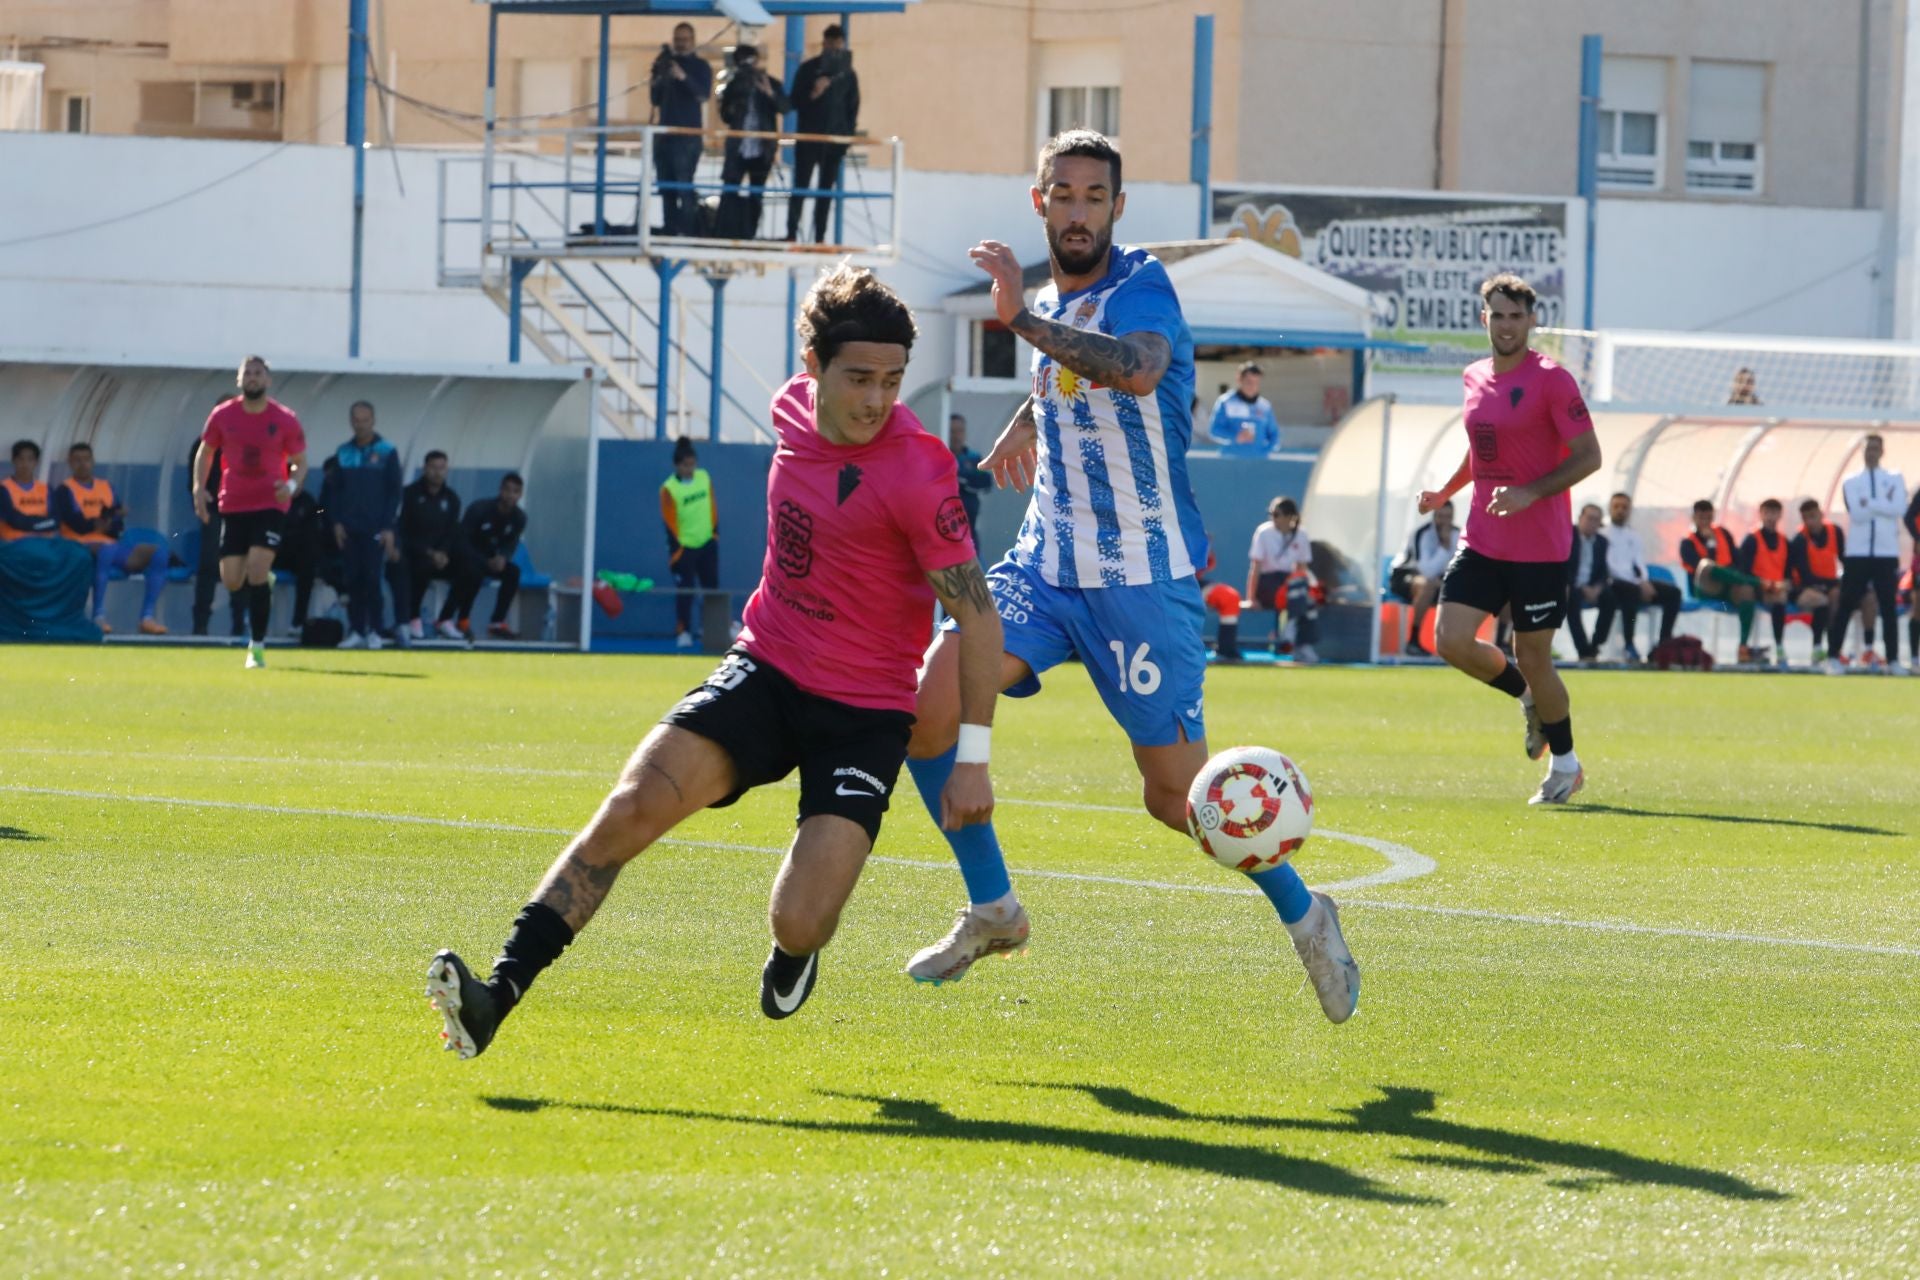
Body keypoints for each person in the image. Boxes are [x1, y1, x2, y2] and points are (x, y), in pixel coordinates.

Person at [426, 265, 1003, 1056]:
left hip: (865, 714)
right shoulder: (790, 412)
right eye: (859, 378)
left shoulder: (918, 470)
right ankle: (499, 991)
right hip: (765, 671)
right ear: (813, 372)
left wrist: (972, 758)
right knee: (630, 809)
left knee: (800, 918)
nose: (876, 400)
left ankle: (795, 954)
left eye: (894, 382)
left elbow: (976, 612)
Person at [898, 130, 1361, 1023]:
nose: (1077, 211)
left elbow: (1140, 371)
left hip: (1143, 580)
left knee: (1174, 795)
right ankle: (993, 908)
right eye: (1061, 194)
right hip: (1044, 565)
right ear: (1040, 202)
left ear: (1117, 208)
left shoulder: (1141, 285)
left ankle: (1307, 913)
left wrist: (1022, 325)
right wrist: (1028, 423)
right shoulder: (1043, 298)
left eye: (1093, 197)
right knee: (927, 704)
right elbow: (1070, 383)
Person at [1417, 273, 1601, 805]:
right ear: (1484, 319)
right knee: (1449, 639)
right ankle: (1525, 698)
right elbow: (1483, 448)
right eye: (1497, 315)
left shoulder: (1553, 380)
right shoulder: (1474, 376)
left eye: (1516, 316)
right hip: (1482, 537)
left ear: (1532, 321)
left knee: (1535, 655)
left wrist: (1529, 494)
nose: (1506, 325)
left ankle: (1566, 765)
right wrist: (1445, 491)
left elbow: (1590, 456)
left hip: (1540, 546)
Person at [192, 356, 308, 670]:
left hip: (271, 504)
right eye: (248, 373)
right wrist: (198, 488)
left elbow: (300, 461)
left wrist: (292, 484)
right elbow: (206, 452)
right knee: (231, 580)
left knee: (256, 571)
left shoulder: (284, 418)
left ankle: (255, 647)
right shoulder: (223, 415)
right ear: (239, 380)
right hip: (233, 504)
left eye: (258, 373)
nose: (253, 378)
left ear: (268, 380)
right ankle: (261, 580)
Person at [51, 442, 168, 634]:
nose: (83, 464)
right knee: (106, 551)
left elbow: (118, 523)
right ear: (70, 463)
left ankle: (146, 618)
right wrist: (104, 522)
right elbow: (76, 524)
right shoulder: (65, 490)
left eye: (86, 459)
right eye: (77, 460)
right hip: (77, 545)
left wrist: (103, 523)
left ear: (93, 461)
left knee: (158, 554)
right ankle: (98, 616)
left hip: (109, 544)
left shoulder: (106, 487)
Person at [320, 401, 402, 650]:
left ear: (373, 420)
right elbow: (331, 494)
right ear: (350, 421)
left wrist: (389, 527)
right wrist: (334, 522)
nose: (360, 424)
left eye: (365, 420)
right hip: (348, 528)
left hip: (376, 527)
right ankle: (356, 630)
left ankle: (376, 630)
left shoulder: (387, 451)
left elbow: (394, 491)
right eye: (356, 420)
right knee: (353, 579)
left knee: (372, 579)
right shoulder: (342, 452)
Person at [1826, 432, 1909, 675]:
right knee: (1846, 604)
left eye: (1875, 448)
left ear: (1882, 451)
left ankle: (1893, 659)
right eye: (1867, 448)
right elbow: (1858, 515)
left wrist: (1871, 503)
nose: (1871, 452)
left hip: (1886, 553)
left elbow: (1898, 508)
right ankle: (1833, 657)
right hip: (1858, 553)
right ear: (1862, 451)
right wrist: (1881, 504)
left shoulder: (1894, 478)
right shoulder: (1851, 482)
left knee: (1888, 606)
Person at [785, 24, 859, 244]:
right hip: (809, 139)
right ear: (824, 43)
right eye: (830, 44)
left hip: (834, 143)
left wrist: (846, 139)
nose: (834, 49)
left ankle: (819, 237)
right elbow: (795, 101)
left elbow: (852, 108)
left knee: (825, 192)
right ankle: (791, 233)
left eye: (838, 45)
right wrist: (814, 92)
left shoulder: (848, 75)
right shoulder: (808, 69)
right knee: (800, 187)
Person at [715, 43, 787, 240]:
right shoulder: (734, 85)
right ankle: (725, 233)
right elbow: (726, 116)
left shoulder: (771, 83)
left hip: (762, 149)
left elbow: (785, 107)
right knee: (730, 190)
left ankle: (749, 234)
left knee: (756, 193)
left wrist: (768, 92)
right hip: (738, 148)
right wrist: (734, 100)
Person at [1679, 499, 1766, 664]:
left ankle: (1743, 647)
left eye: (1708, 517)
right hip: (1703, 588)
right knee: (1708, 566)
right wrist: (1711, 544)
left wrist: (1737, 577)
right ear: (1694, 518)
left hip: (1727, 588)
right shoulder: (1687, 542)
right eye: (1701, 517)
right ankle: (1759, 582)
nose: (1705, 521)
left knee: (1747, 591)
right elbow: (1702, 569)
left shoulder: (1723, 534)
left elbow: (1737, 559)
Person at [444, 472, 528, 640]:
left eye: (515, 491)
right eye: (507, 490)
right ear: (500, 490)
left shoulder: (519, 517)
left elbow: (511, 542)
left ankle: (497, 622)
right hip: (465, 557)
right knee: (474, 572)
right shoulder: (480, 509)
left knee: (513, 572)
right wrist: (484, 560)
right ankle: (462, 619)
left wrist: (503, 557)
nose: (510, 495)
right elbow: (462, 541)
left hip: (490, 559)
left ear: (520, 495)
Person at [1594, 491, 1676, 663]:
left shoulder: (1634, 536)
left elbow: (1639, 564)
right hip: (1615, 583)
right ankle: (1629, 643)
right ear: (1610, 509)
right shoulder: (1603, 534)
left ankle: (1663, 644)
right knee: (1631, 592)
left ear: (1630, 510)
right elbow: (1611, 567)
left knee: (1674, 594)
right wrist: (1639, 584)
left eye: (1624, 507)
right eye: (1616, 507)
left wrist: (1644, 581)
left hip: (1636, 583)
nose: (1620, 511)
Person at [649, 22, 712, 237]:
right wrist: (659, 76)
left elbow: (703, 94)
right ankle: (670, 228)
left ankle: (687, 230)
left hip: (687, 138)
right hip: (665, 137)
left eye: (685, 40)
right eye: (678, 40)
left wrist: (682, 76)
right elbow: (655, 99)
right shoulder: (665, 64)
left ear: (693, 41)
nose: (681, 44)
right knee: (666, 187)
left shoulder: (701, 66)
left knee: (684, 186)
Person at [660, 437, 720, 650]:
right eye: (685, 465)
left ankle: (710, 628)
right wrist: (677, 550)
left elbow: (712, 505)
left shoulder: (704, 477)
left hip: (707, 545)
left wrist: (714, 535)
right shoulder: (669, 488)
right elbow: (669, 521)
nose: (690, 469)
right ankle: (683, 631)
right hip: (685, 549)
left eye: (692, 464)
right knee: (686, 592)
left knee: (711, 589)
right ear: (677, 465)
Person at [1244, 496, 1318, 663]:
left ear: (1289, 517)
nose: (1273, 518)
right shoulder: (1264, 533)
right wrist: (1251, 598)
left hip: (1291, 585)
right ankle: (1292, 635)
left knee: (1308, 599)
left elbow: (1302, 569)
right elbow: (1255, 567)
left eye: (1277, 514)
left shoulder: (1301, 535)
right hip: (1269, 585)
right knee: (1300, 593)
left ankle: (1300, 642)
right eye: (1271, 514)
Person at [399, 450, 462, 639]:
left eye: (441, 468)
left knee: (470, 567)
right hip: (415, 555)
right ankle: (413, 617)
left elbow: (452, 531)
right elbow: (403, 531)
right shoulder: (409, 494)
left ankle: (445, 618)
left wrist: (442, 552)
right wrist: (429, 552)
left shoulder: (452, 498)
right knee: (421, 566)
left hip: (441, 557)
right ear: (425, 468)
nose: (437, 472)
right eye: (433, 467)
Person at [1388, 498, 1458, 657]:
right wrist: (1445, 547)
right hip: (1405, 577)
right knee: (1427, 584)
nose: (1444, 522)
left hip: (1440, 580)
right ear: (1434, 516)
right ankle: (1413, 640)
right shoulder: (1422, 534)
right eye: (1441, 517)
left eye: (1448, 517)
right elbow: (1426, 570)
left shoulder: (1458, 534)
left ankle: (1455, 644)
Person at [1737, 498, 1797, 668]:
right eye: (1767, 513)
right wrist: (1764, 583)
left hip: (1776, 590)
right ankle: (1743, 646)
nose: (1771, 517)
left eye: (1774, 513)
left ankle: (1779, 646)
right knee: (1747, 592)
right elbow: (1744, 571)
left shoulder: (1785, 541)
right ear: (1761, 514)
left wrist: (1784, 583)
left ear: (1780, 515)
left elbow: (1788, 571)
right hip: (1756, 588)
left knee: (1780, 598)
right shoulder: (1751, 539)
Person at [1789, 500, 1843, 662]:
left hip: (1828, 585)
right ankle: (1817, 648)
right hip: (1802, 587)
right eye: (1806, 518)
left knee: (1836, 597)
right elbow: (1805, 576)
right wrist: (1833, 582)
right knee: (1821, 600)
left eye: (1813, 516)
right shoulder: (1800, 539)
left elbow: (1844, 558)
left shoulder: (1835, 532)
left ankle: (1834, 649)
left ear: (1821, 514)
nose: (1810, 522)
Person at [1563, 501, 1609, 663]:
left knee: (1610, 599)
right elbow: (1562, 564)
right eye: (1589, 518)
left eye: (1596, 520)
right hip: (1571, 585)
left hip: (1591, 587)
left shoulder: (1602, 542)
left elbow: (1603, 571)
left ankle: (1596, 644)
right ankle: (1583, 650)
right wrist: (1577, 586)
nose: (1592, 523)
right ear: (1580, 517)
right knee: (1571, 601)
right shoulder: (1567, 535)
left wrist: (1597, 588)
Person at [1207, 361, 1280, 457]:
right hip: (1231, 460)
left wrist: (1266, 451)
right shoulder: (1226, 402)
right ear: (1239, 379)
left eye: (1256, 382)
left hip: (1258, 462)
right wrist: (1235, 436)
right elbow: (1214, 430)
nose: (1252, 386)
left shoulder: (1264, 406)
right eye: (1249, 382)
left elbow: (1274, 434)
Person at [0, 440, 57, 543]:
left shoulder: (46, 488)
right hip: (15, 544)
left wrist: (32, 524)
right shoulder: (3, 488)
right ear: (13, 461)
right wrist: (43, 523)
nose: (25, 464)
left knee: (76, 554)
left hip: (46, 543)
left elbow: (56, 521)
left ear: (36, 462)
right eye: (20, 459)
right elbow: (16, 521)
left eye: (30, 459)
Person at [948, 414, 992, 539]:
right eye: (952, 431)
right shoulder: (939, 457)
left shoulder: (973, 458)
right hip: (946, 521)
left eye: (960, 431)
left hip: (969, 524)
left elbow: (986, 482)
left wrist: (962, 479)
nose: (956, 436)